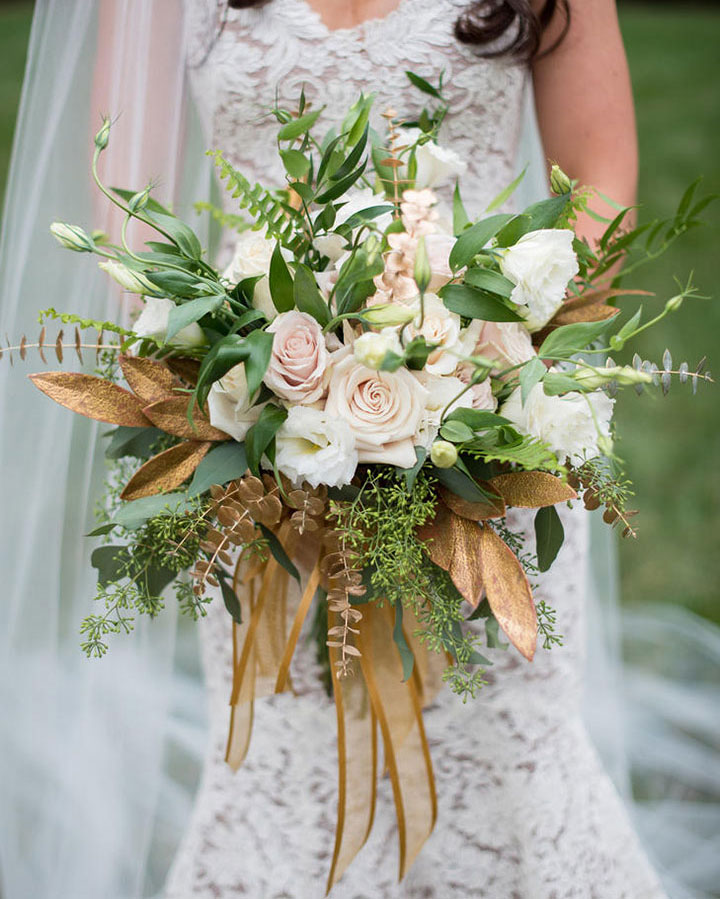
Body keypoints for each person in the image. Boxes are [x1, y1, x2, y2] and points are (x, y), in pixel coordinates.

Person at [0, 3, 715, 898]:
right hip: (263, 448)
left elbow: (601, 183)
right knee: (286, 746)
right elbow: (127, 214)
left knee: (503, 739)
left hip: (491, 433)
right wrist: (236, 378)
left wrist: (479, 362)